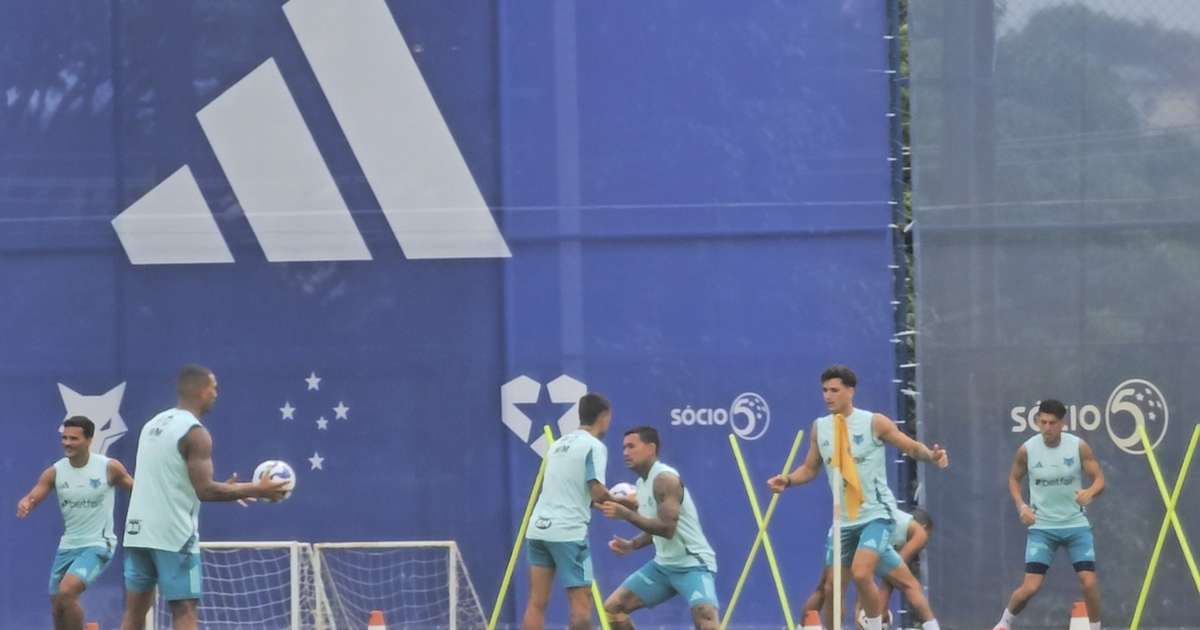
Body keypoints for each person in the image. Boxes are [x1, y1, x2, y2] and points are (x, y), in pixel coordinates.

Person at [768, 365, 948, 630]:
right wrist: (789, 480)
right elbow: (810, 468)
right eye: (824, 390)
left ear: (850, 391)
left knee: (863, 572)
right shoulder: (820, 428)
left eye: (834, 390)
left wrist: (932, 456)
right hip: (843, 521)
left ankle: (875, 626)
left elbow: (910, 446)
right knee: (832, 588)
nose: (828, 396)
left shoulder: (874, 422)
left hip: (876, 515)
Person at [119, 364, 289, 630]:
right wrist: (259, 489)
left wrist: (232, 489)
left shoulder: (154, 423)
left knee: (134, 614)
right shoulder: (196, 433)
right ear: (200, 390)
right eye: (214, 387)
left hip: (137, 532)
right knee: (184, 610)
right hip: (172, 535)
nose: (216, 393)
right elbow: (205, 490)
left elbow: (172, 480)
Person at [993, 399, 1104, 630]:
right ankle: (1004, 624)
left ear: (1062, 423)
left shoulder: (1078, 446)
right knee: (1030, 588)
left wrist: (1090, 492)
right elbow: (1014, 478)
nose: (1047, 428)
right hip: (1042, 528)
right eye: (1042, 422)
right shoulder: (1027, 449)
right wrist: (1022, 506)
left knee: (1088, 581)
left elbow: (1099, 479)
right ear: (1037, 421)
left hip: (1075, 526)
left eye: (1052, 423)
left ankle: (1095, 628)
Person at [17, 416, 134, 630]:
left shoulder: (109, 467)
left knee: (68, 591)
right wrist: (26, 502)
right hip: (68, 545)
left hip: (99, 543)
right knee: (58, 605)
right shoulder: (55, 471)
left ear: (89, 440)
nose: (67, 443)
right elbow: (34, 495)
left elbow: (137, 492)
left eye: (74, 438)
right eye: (64, 438)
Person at [523, 392, 626, 630]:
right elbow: (597, 492)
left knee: (537, 603)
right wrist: (627, 502)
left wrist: (601, 502)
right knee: (581, 605)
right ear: (604, 416)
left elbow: (575, 493)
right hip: (568, 533)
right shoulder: (594, 446)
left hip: (538, 530)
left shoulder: (557, 445)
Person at [600, 426, 719, 630]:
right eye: (623, 448)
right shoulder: (641, 483)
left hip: (693, 563)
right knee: (613, 609)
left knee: (705, 616)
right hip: (663, 566)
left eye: (631, 446)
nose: (625, 452)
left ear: (651, 448)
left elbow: (666, 529)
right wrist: (633, 544)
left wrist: (626, 514)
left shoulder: (665, 479)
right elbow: (654, 525)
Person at [801, 508, 934, 630]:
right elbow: (888, 578)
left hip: (848, 527)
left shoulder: (894, 526)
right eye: (929, 534)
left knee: (827, 587)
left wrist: (863, 608)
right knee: (910, 585)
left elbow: (872, 578)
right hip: (856, 529)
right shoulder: (918, 534)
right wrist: (871, 608)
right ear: (924, 526)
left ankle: (802, 627)